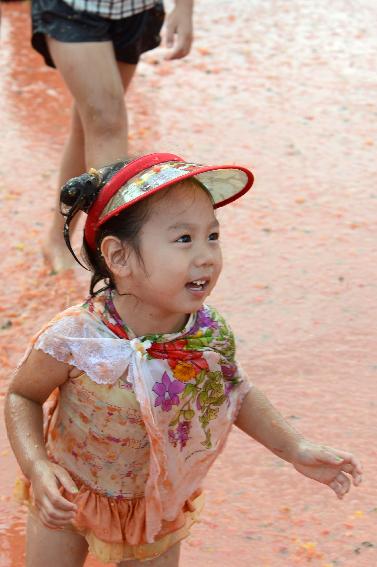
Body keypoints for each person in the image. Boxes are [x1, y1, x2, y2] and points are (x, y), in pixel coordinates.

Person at [5, 153, 362, 567]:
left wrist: (295, 447)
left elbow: (233, 393)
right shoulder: (79, 337)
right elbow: (22, 396)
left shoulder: (206, 334)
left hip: (155, 503)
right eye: (184, 239)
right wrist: (36, 467)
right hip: (68, 491)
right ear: (119, 257)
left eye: (212, 236)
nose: (207, 255)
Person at [30, 0, 194, 271]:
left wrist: (184, 8)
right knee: (106, 121)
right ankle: (114, 266)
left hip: (136, 10)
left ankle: (58, 238)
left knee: (90, 124)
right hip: (74, 8)